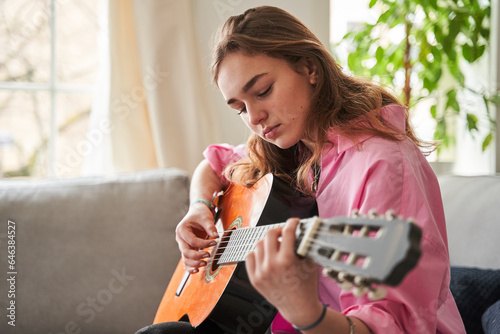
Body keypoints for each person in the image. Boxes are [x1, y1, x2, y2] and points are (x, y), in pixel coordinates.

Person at [136, 5, 465, 334]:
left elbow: (391, 326)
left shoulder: (383, 164)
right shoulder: (291, 146)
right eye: (239, 108)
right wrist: (199, 208)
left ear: (310, 68)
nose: (254, 118)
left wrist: (308, 314)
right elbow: (213, 163)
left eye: (263, 91)